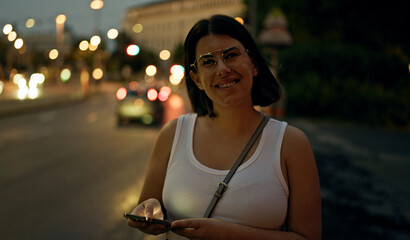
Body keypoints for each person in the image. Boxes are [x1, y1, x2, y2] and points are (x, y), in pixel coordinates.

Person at [127, 14, 321, 240]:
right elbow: (145, 209)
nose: (222, 69)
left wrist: (226, 233)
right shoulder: (173, 134)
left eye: (231, 55)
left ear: (254, 64)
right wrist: (148, 212)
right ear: (196, 78)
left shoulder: (291, 143)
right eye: (208, 62)